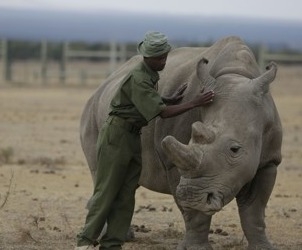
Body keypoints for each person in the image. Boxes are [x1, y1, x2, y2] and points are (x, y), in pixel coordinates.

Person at [75, 31, 214, 250]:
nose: (163, 61)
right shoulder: (139, 76)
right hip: (117, 136)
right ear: (146, 57)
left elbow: (143, 99)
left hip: (132, 136)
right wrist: (194, 102)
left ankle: (112, 243)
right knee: (107, 191)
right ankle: (84, 241)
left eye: (164, 57)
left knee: (126, 193)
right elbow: (163, 113)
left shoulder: (150, 73)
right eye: (159, 58)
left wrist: (168, 98)